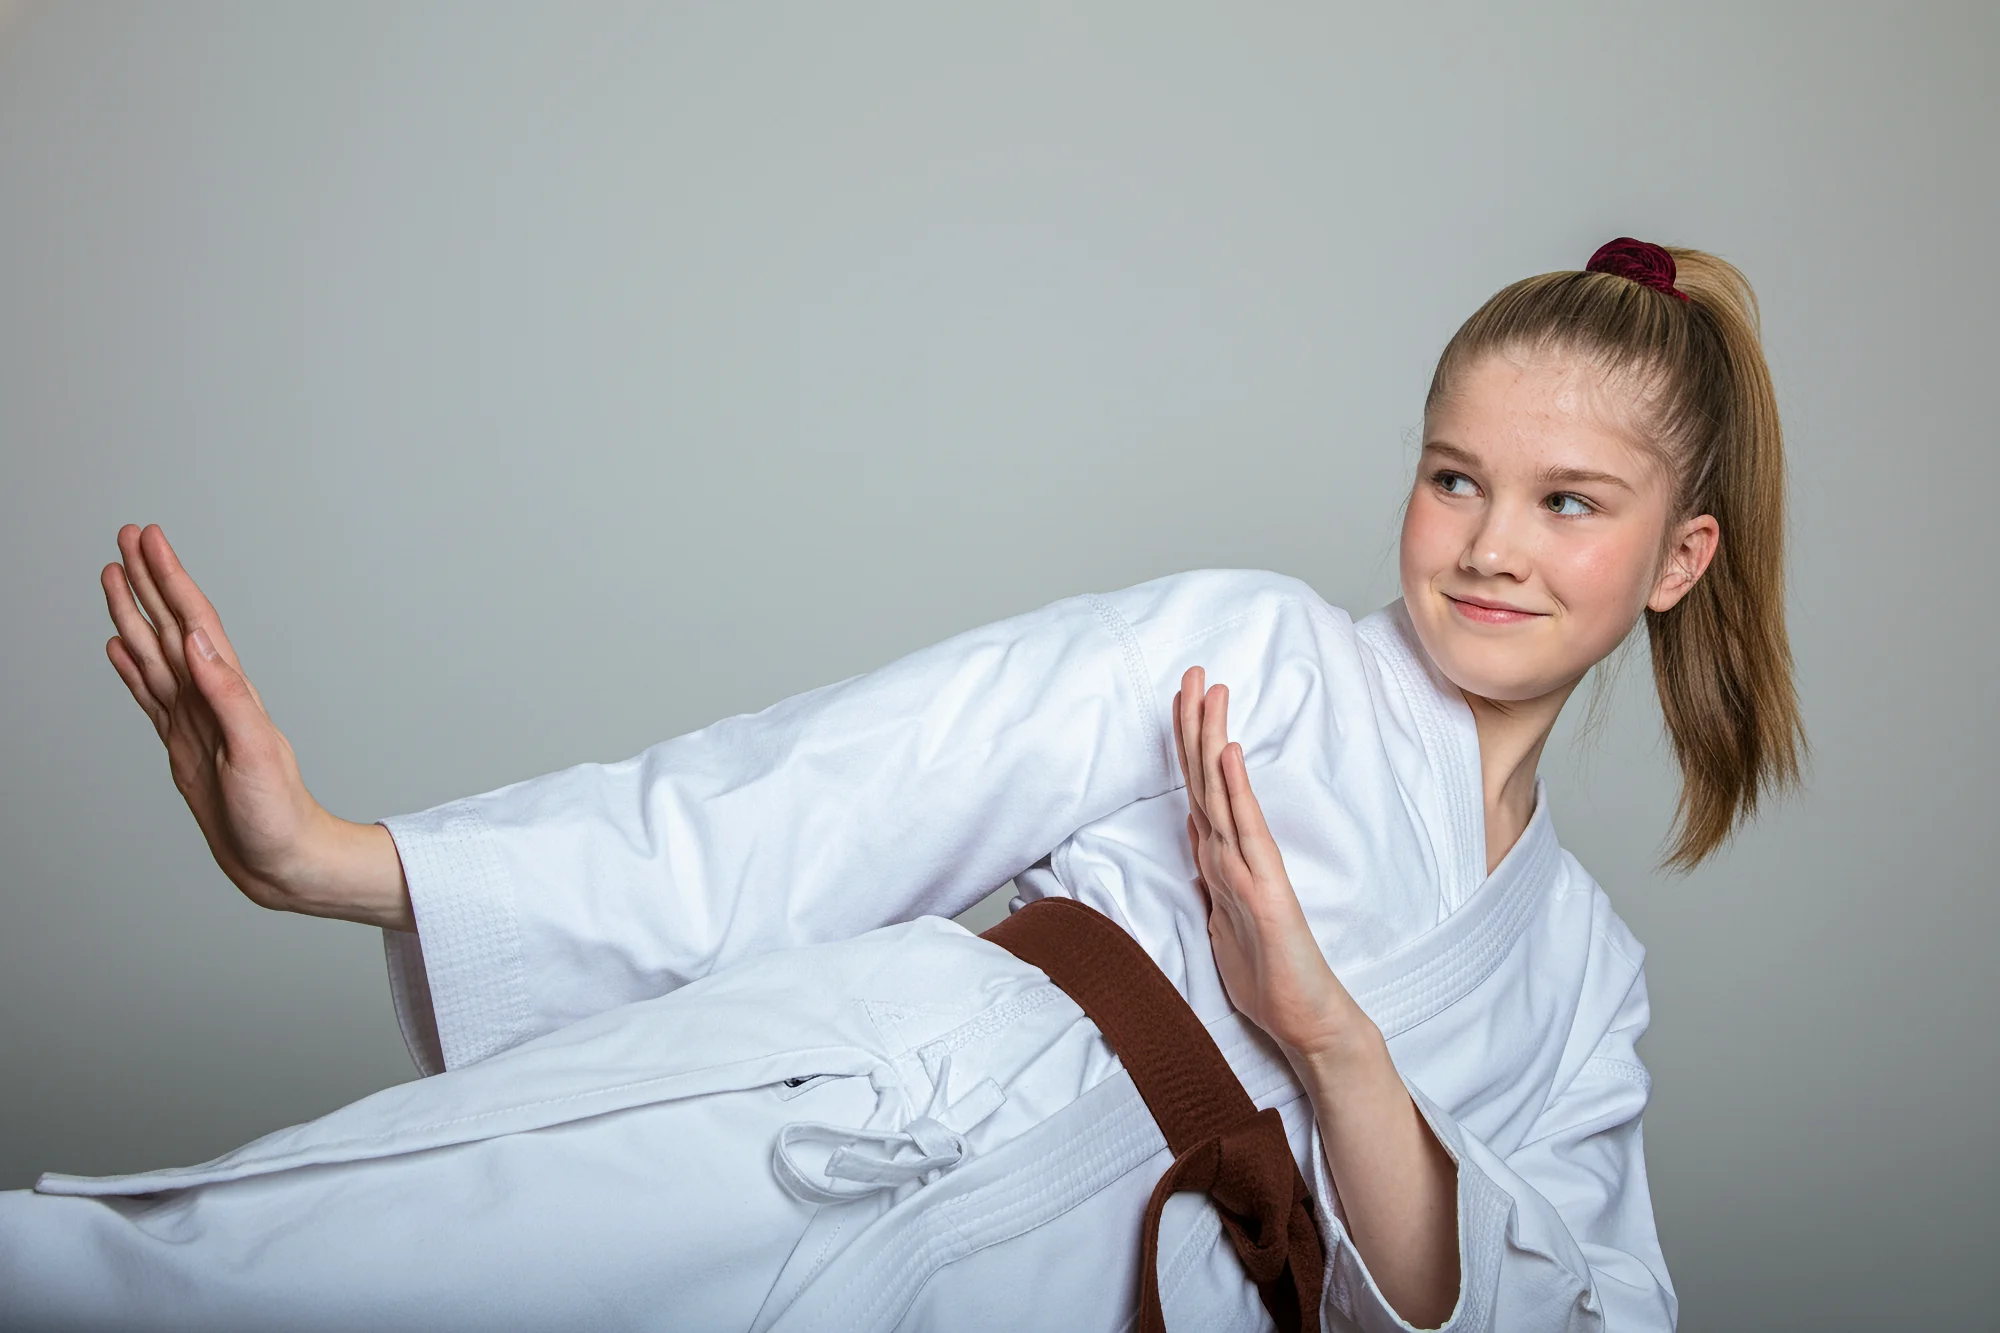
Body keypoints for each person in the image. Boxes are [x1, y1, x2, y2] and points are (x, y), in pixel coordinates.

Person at [0, 239, 1800, 1332]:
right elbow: (843, 788)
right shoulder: (1249, 658)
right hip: (844, 1115)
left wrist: (1331, 1040)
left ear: (1677, 555)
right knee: (227, 1283)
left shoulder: (1579, 987)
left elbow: (1539, 1306)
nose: (1488, 546)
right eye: (1451, 476)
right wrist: (339, 863)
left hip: (1110, 1302)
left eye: (1570, 501)